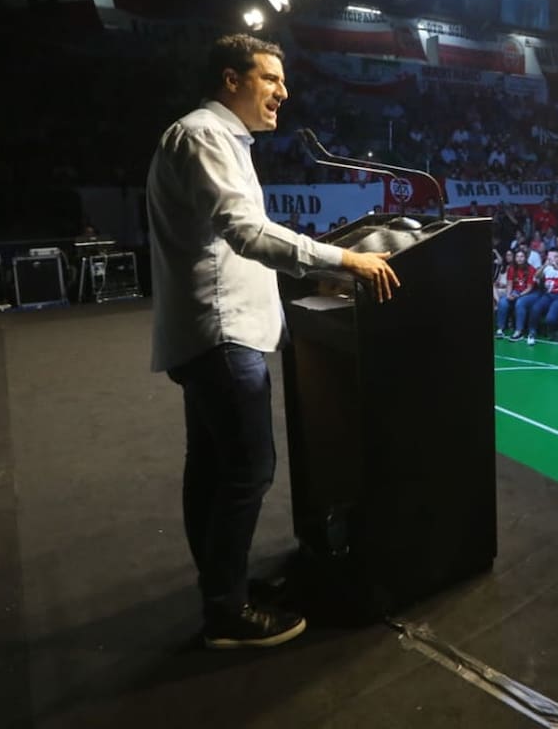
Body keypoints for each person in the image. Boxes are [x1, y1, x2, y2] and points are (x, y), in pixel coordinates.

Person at [147, 34, 400, 649]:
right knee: (246, 472)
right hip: (221, 334)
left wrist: (313, 267)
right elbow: (245, 231)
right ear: (231, 79)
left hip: (211, 333)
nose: (283, 92)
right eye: (270, 79)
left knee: (211, 469)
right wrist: (345, 260)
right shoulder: (204, 136)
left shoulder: (215, 139)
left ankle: (223, 589)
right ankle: (227, 614)